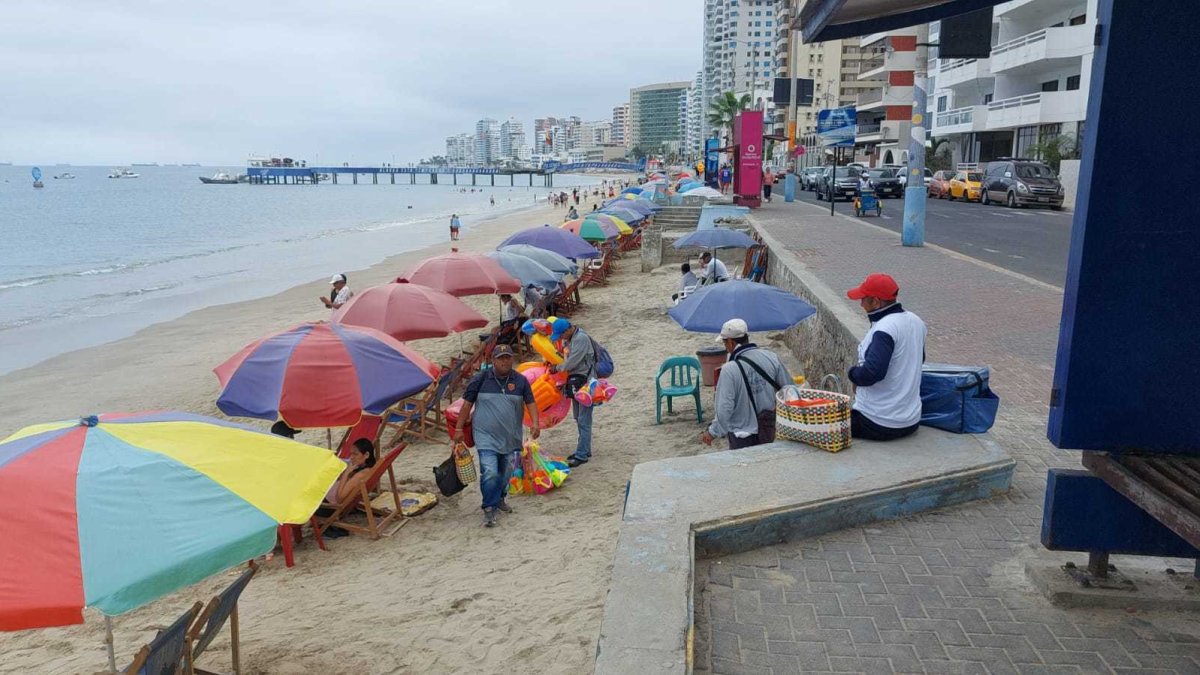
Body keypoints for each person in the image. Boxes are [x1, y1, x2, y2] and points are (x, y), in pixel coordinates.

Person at [452, 345, 540, 527]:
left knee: (506, 471)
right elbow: (467, 404)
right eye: (501, 358)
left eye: (508, 357)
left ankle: (500, 498)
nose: (505, 361)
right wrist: (459, 429)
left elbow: (530, 402)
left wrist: (536, 424)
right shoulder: (480, 379)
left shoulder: (520, 381)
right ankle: (489, 507)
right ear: (493, 361)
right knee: (490, 472)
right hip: (485, 435)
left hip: (510, 435)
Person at [845, 273, 926, 441]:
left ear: (875, 301)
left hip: (878, 423)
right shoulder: (916, 321)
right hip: (911, 420)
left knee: (817, 425)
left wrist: (852, 374)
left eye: (864, 299)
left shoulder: (884, 329)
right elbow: (920, 359)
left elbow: (872, 374)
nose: (860, 304)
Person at [702, 319, 791, 449]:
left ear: (731, 342)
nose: (725, 347)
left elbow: (724, 408)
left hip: (741, 435)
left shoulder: (729, 370)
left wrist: (712, 432)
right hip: (769, 429)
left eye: (724, 342)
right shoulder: (771, 357)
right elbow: (789, 389)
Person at [550, 319, 595, 468]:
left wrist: (557, 368)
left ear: (567, 330)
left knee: (584, 419)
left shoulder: (580, 338)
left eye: (561, 335)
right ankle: (584, 450)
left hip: (586, 383)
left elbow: (572, 362)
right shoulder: (570, 339)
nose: (561, 338)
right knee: (578, 417)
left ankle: (582, 455)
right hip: (577, 382)